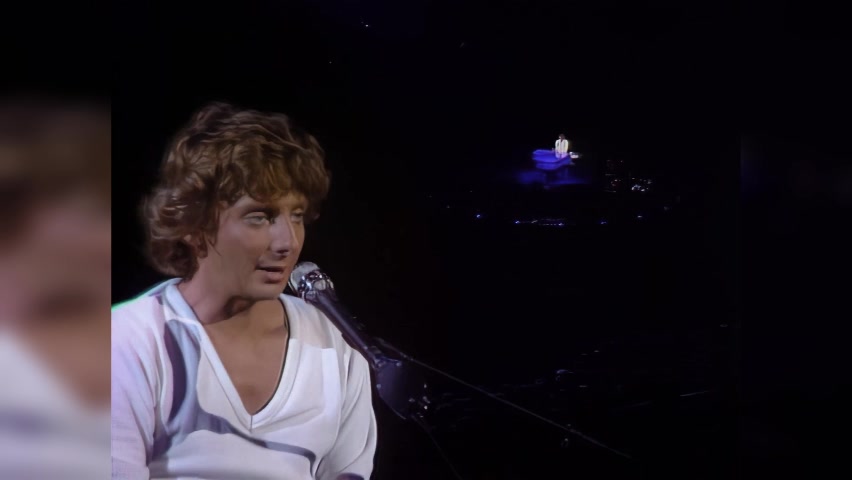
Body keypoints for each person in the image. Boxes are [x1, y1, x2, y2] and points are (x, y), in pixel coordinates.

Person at [111, 102, 377, 480]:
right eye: (260, 217)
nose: (287, 242)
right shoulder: (128, 342)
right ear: (195, 226)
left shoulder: (335, 344)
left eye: (296, 216)